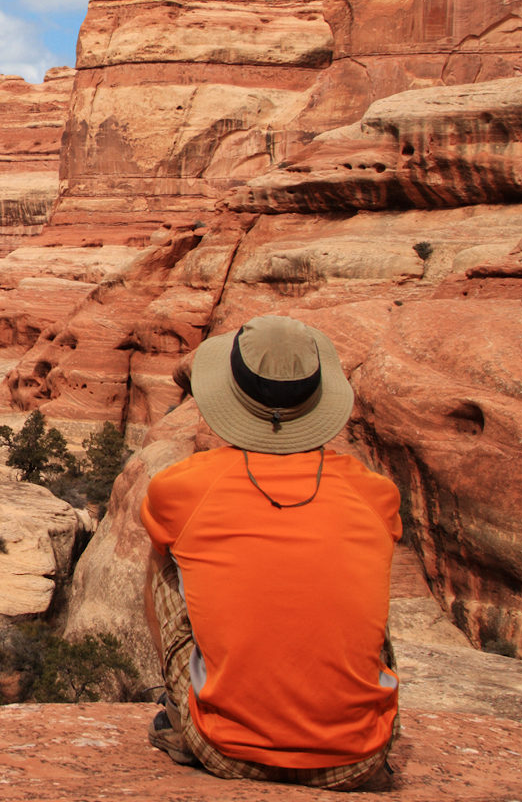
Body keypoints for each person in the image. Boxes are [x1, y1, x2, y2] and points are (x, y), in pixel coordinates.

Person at [141, 314, 400, 790]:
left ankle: (181, 713)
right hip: (358, 758)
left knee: (163, 563)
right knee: (350, 580)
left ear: (229, 394)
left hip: (227, 752)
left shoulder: (183, 488)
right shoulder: (375, 493)